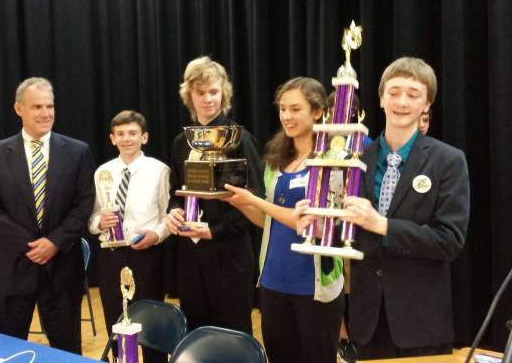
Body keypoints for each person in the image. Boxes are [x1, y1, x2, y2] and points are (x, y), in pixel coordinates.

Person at [329, 57, 470, 359]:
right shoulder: (355, 159)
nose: (402, 102)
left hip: (421, 321)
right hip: (366, 322)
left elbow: (450, 241)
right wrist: (320, 223)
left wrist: (382, 225)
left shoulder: (448, 160)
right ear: (381, 99)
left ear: (427, 104)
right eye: (393, 92)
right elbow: (344, 232)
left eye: (413, 94)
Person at [225, 77, 344, 363]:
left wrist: (254, 200)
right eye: (282, 109)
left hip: (314, 284)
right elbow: (268, 221)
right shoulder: (277, 160)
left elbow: (309, 223)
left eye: (295, 109)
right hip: (274, 280)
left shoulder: (334, 159)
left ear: (317, 112)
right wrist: (236, 201)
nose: (286, 117)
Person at [0, 77, 94, 353]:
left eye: (50, 106)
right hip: (12, 269)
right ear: (19, 109)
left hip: (63, 269)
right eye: (37, 106)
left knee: (67, 352)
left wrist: (54, 242)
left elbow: (84, 204)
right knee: (8, 350)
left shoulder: (78, 152)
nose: (45, 113)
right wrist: (31, 245)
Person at [165, 56, 264, 334]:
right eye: (200, 92)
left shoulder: (239, 139)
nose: (207, 99)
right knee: (196, 333)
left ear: (224, 94)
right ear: (189, 96)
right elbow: (176, 192)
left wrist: (215, 230)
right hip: (191, 256)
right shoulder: (180, 142)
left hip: (229, 254)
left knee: (233, 335)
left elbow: (257, 200)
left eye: (213, 91)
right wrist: (173, 211)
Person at [90, 110, 170, 362]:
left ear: (144, 137)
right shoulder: (102, 172)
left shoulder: (159, 170)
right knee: (116, 319)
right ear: (112, 138)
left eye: (133, 133)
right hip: (111, 255)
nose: (127, 139)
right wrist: (98, 222)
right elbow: (91, 216)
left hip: (147, 254)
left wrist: (156, 235)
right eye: (121, 134)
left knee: (150, 319)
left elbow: (169, 214)